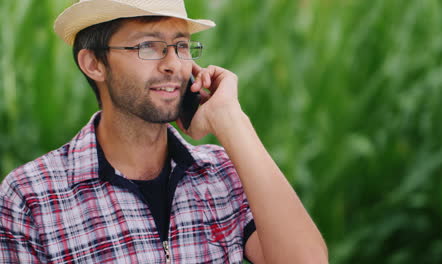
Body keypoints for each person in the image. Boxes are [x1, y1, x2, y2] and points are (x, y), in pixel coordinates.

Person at [0, 0, 327, 263]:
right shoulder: (32, 195)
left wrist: (230, 118)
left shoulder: (221, 173)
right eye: (149, 46)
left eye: (181, 46)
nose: (174, 64)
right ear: (94, 64)